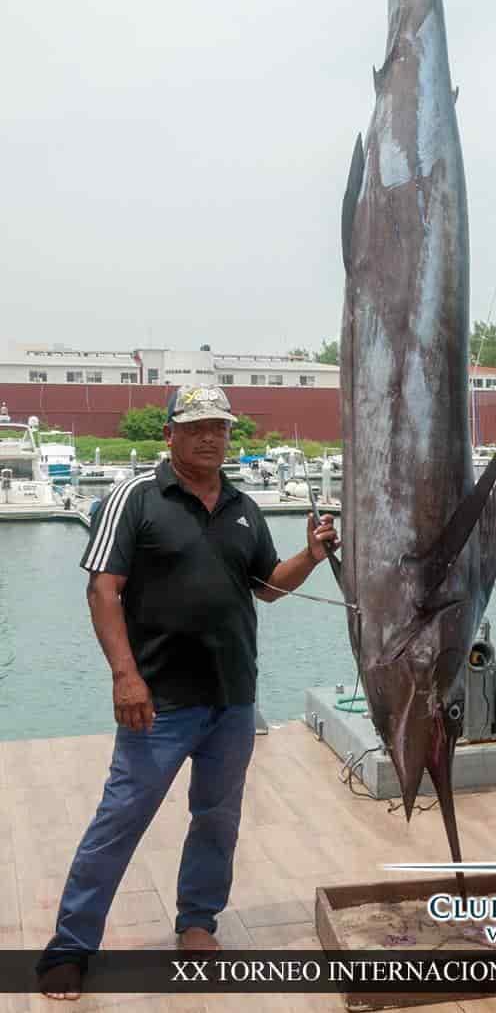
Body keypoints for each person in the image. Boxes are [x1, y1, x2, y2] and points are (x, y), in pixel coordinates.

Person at [37, 384, 339, 1001]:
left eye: (220, 427)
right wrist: (125, 675)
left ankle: (198, 921)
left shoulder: (244, 507)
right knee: (119, 821)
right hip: (157, 702)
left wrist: (309, 555)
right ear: (169, 434)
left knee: (217, 820)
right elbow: (103, 591)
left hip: (232, 699)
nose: (210, 436)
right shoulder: (135, 498)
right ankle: (70, 946)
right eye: (196, 425)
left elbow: (268, 587)